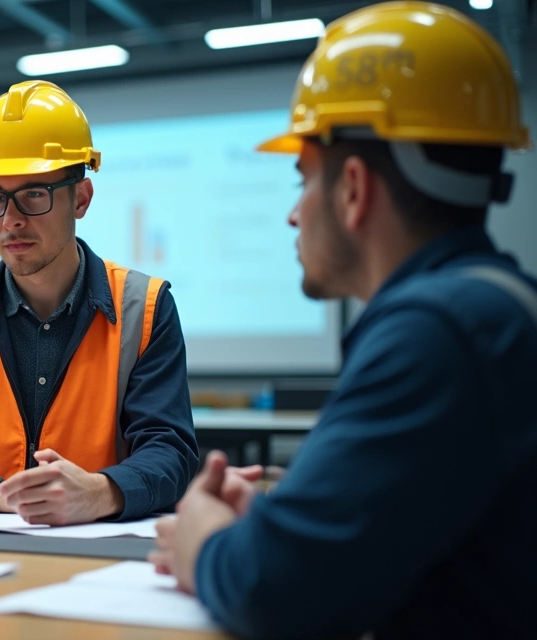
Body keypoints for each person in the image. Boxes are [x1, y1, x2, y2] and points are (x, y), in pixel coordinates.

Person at [149, 3, 537, 638]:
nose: (293, 215)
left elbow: (276, 593)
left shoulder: (437, 334)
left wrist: (206, 541)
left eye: (303, 179)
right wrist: (282, 525)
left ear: (353, 189)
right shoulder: (490, 308)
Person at [0, 81, 199, 525]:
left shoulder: (143, 306)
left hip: (97, 563)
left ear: (81, 199)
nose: (11, 219)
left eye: (33, 194)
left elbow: (170, 452)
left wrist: (100, 492)